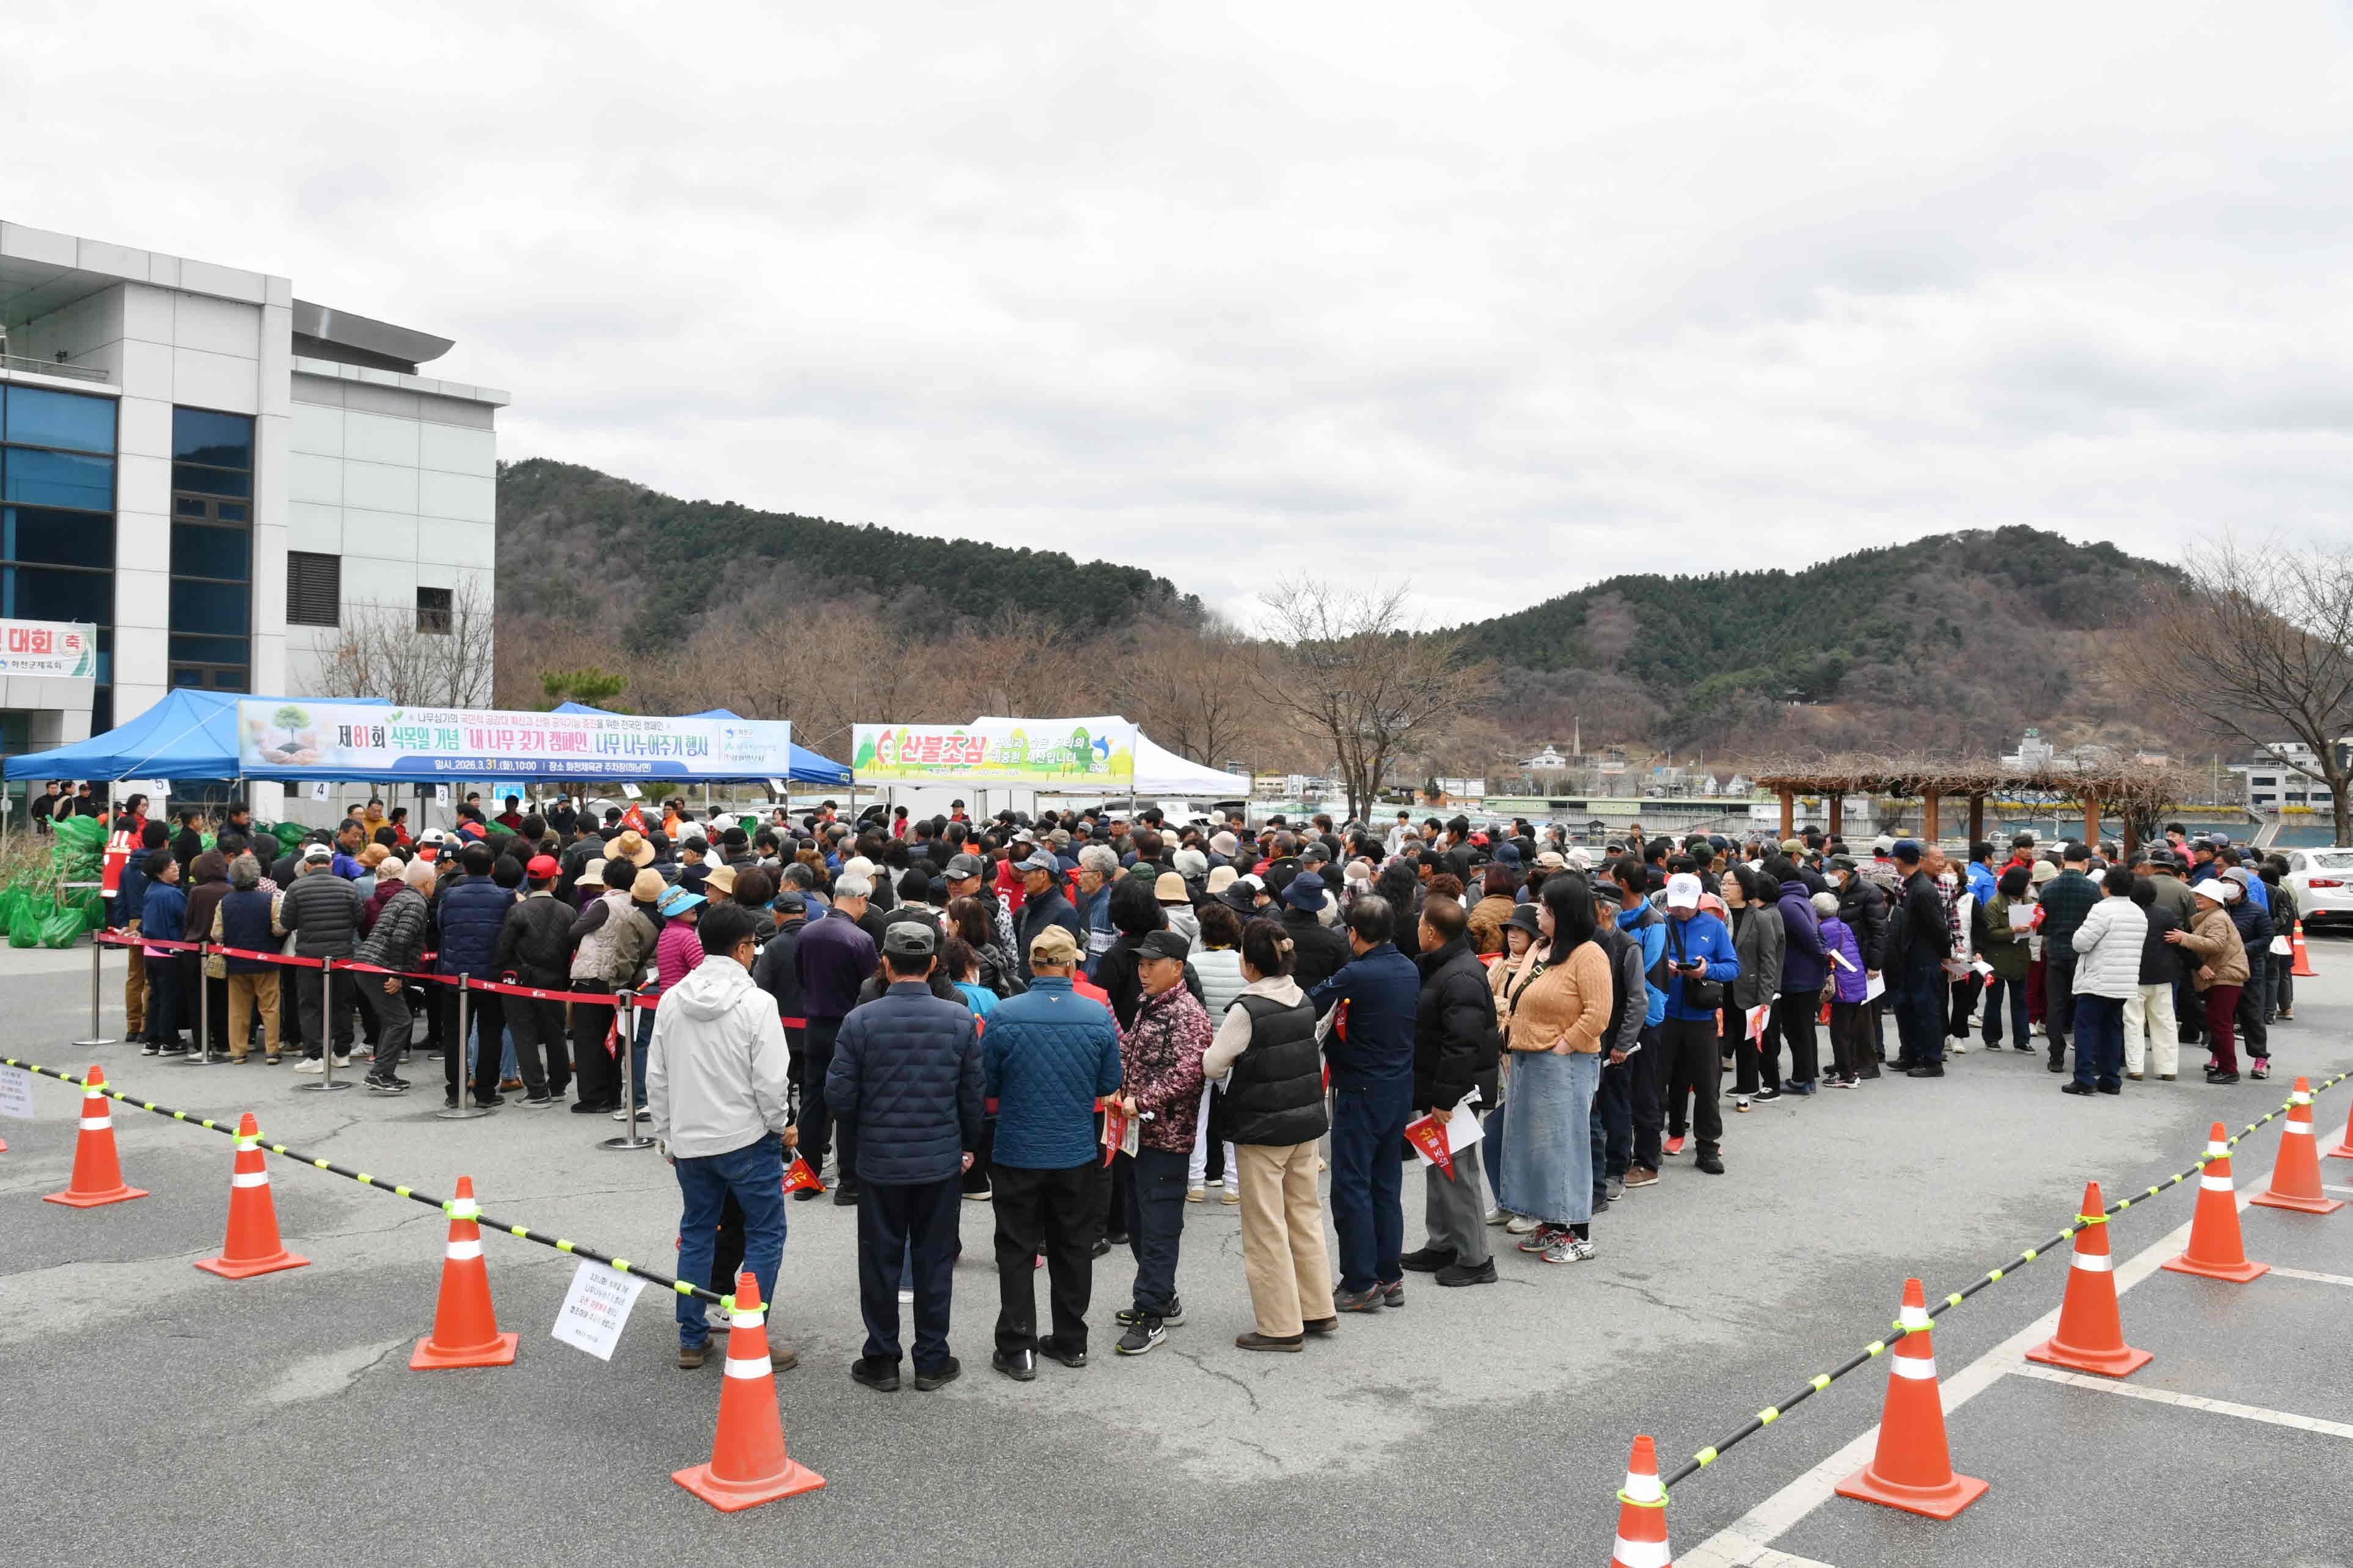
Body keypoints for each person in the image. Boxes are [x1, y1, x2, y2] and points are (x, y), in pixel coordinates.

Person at [827, 923, 985, 1395]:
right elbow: (972, 1095)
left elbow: (839, 1096)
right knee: (933, 1259)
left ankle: (882, 1358)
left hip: (880, 1161)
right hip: (939, 1160)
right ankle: (933, 1358)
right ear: (934, 964)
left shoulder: (860, 1020)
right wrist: (967, 1147)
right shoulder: (958, 1019)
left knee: (880, 1260)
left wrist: (860, 1140)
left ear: (886, 964)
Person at [646, 901, 798, 1372]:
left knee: (696, 1233)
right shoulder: (758, 1003)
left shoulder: (672, 999)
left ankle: (692, 1337)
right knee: (765, 1232)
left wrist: (667, 1134)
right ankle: (750, 1333)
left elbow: (658, 1074)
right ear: (743, 947)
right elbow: (770, 1080)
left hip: (691, 1138)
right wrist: (780, 1125)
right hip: (747, 1136)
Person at [983, 924, 1124, 1379]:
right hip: (1073, 1148)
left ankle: (1018, 1344)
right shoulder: (1097, 1013)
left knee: (1017, 1246)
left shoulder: (1005, 1014)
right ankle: (1071, 1339)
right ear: (1071, 964)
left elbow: (988, 1083)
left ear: (1032, 963)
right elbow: (1107, 1083)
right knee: (1072, 1244)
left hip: (1018, 1145)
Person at [1307, 896, 1421, 1310]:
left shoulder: (1355, 973)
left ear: (1354, 933)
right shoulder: (1408, 968)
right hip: (1397, 1087)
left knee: (1351, 1185)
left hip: (1360, 1088)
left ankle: (1359, 1281)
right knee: (1385, 1185)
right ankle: (1388, 1276)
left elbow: (1311, 1001)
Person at [1493, 873, 1612, 1263]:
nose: (1538, 911)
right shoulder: (1542, 948)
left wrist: (1564, 1045)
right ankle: (1551, 1220)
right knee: (1536, 1146)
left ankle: (1577, 1232)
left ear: (1563, 912)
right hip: (1529, 1057)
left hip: (1564, 1062)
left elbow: (1598, 1014)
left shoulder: (1589, 953)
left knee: (1566, 1146)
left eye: (1544, 906)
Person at [1399, 896, 1502, 1285]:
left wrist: (1445, 1098)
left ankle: (1476, 1258)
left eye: (1421, 923)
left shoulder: (1460, 976)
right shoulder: (1444, 966)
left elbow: (1462, 1045)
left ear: (1431, 931)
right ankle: (1443, 1242)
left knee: (1458, 1170)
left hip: (1455, 1091)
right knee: (1438, 1164)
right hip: (1438, 1085)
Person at [797, 872, 880, 1203]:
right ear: (860, 899)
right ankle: (850, 1182)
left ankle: (807, 1179)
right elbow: (872, 986)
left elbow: (800, 975)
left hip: (815, 1024)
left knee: (812, 1100)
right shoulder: (860, 939)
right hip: (848, 1026)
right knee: (850, 1102)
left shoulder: (807, 932)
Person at [1658, 872, 1737, 1173]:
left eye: (1685, 905)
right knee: (1660, 1082)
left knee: (1707, 1084)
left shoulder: (1715, 926)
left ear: (1698, 901)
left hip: (1702, 1017)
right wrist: (1664, 969)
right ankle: (1660, 1138)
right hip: (1665, 1015)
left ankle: (1707, 1146)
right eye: (1674, 905)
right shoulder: (1660, 925)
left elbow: (1732, 968)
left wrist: (1706, 970)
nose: (1679, 911)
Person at [566, 862, 660, 1114]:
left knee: (588, 1041)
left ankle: (594, 1098)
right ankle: (613, 1095)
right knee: (614, 1041)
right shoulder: (637, 906)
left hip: (594, 977)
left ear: (606, 881)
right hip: (623, 981)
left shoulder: (604, 904)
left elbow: (574, 932)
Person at [435, 842, 514, 1110]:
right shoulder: (506, 897)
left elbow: (441, 927)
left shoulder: (449, 895)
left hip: (454, 975)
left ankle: (455, 1091)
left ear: (464, 868)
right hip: (492, 975)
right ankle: (485, 1091)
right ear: (493, 867)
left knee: (456, 1033)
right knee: (490, 1032)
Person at [494, 855, 576, 1106]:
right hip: (555, 982)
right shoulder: (568, 912)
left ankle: (538, 1091)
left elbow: (503, 949)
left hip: (521, 982)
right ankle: (559, 1085)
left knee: (524, 1035)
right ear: (553, 881)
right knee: (555, 1033)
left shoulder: (517, 911)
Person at [277, 843, 363, 1073]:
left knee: (310, 1006)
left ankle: (315, 1057)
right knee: (342, 1005)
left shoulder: (296, 888)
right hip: (342, 956)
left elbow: (286, 923)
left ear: (307, 865)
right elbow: (359, 919)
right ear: (331, 863)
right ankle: (342, 1053)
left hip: (309, 957)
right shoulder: (349, 887)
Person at [355, 859, 436, 1095]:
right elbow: (401, 939)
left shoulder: (401, 898)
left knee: (394, 1020)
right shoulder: (416, 903)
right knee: (400, 1020)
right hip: (380, 968)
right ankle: (380, 1074)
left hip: (369, 963)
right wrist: (397, 974)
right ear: (427, 882)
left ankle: (384, 1072)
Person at [1184, 902, 1246, 1203]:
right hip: (1234, 1049)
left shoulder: (1193, 963)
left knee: (1198, 1117)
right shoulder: (1243, 963)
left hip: (1201, 1047)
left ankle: (1196, 1181)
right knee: (1233, 1117)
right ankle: (1233, 1185)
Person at [2063, 867, 2144, 1097]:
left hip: (2098, 978)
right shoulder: (2138, 912)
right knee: (2113, 1029)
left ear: (2106, 886)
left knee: (2086, 1029)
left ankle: (2084, 1079)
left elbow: (2081, 943)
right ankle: (2111, 1078)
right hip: (2124, 980)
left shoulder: (2102, 909)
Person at [2169, 880, 2249, 1083]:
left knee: (2221, 1025)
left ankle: (2229, 1070)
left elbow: (2216, 945)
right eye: (2197, 895)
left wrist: (2184, 938)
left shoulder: (2217, 919)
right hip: (2224, 975)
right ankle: (2225, 1066)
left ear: (2215, 900)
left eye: (2202, 896)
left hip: (2225, 976)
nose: (2197, 898)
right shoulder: (2214, 917)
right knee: (2218, 1023)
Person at [1887, 841, 1953, 1078]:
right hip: (1912, 957)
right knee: (1908, 1008)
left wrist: (1946, 954)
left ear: (1900, 860)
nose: (1893, 863)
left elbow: (1938, 926)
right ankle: (1911, 1055)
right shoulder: (1913, 885)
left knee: (1927, 1010)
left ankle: (1932, 1061)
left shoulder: (1923, 890)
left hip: (1925, 958)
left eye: (1894, 859)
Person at [211, 853, 284, 1063]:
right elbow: (279, 929)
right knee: (269, 1006)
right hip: (267, 960)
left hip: (236, 962)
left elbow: (217, 934)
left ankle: (238, 1052)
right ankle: (271, 1050)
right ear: (257, 876)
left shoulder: (225, 902)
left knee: (238, 1008)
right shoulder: (270, 900)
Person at [1723, 864, 1785, 1109]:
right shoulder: (1715, 915)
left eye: (1731, 883)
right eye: (1723, 883)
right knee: (1715, 1041)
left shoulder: (1761, 918)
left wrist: (1765, 997)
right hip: (1717, 987)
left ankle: (1745, 1092)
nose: (1725, 887)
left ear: (1745, 887)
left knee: (1746, 1042)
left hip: (1747, 989)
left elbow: (1768, 960)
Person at [2035, 843, 2100, 1073]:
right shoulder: (2093, 889)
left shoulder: (2049, 889)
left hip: (2055, 953)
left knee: (2056, 1006)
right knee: (2084, 1005)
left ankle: (2056, 1057)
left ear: (2063, 860)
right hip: (2083, 956)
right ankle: (2085, 1056)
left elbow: (2041, 925)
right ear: (2086, 862)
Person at [2124, 873, 2180, 1082]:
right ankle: (2168, 1068)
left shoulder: (2128, 915)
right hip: (2163, 975)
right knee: (2165, 1022)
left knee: (2133, 1022)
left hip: (2133, 976)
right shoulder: (2166, 915)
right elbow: (2178, 941)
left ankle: (2136, 1067)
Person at [1812, 891, 1867, 1087]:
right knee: (1849, 1030)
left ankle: (1846, 1076)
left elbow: (1821, 956)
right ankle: (1851, 1069)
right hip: (1856, 981)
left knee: (1840, 1033)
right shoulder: (1843, 926)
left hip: (1843, 985)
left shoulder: (1823, 930)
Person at [138, 851, 189, 1054]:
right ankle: (169, 1040)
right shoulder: (172, 894)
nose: (176, 868)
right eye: (171, 867)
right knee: (169, 998)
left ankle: (152, 1040)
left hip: (151, 952)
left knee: (155, 997)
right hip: (170, 951)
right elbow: (184, 919)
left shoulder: (151, 891)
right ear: (159, 873)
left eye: (176, 864)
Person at [1979, 866, 2035, 1052]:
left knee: (2020, 1001)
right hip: (1996, 959)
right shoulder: (1994, 904)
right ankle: (1992, 1037)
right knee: (1994, 1000)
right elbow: (1989, 933)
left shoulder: (2028, 902)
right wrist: (2013, 931)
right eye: (2027, 882)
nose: (2029, 887)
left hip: (2020, 958)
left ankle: (2022, 1040)